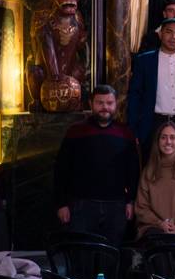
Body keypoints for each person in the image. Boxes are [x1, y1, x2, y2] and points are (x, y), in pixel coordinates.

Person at [53, 85, 139, 246]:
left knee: (112, 256)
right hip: (81, 206)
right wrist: (61, 204)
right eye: (100, 103)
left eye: (109, 103)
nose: (105, 107)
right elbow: (61, 170)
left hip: (116, 206)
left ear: (115, 105)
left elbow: (133, 171)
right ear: (91, 104)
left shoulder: (126, 133)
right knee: (81, 256)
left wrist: (131, 201)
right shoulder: (75, 132)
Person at [127, 18, 175, 156]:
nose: (173, 37)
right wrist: (134, 129)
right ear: (160, 34)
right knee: (152, 169)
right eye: (169, 32)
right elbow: (135, 95)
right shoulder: (144, 61)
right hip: (153, 123)